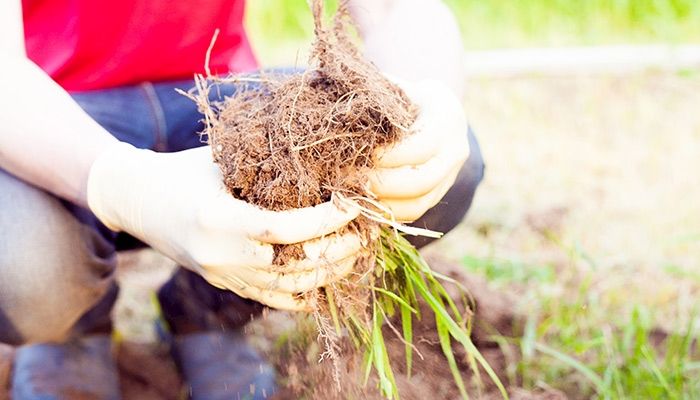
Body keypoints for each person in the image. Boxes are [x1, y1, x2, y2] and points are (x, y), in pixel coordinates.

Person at [0, 0, 483, 398]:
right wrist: (126, 186)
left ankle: (206, 310)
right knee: (18, 261)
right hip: (49, 112)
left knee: (426, 169)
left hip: (219, 94)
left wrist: (425, 99)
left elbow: (394, 11)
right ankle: (73, 330)